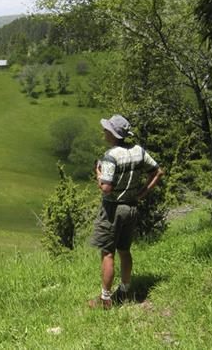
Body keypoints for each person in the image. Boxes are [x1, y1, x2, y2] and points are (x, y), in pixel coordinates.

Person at [89, 114, 164, 310]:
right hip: (132, 207)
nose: (104, 132)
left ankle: (105, 299)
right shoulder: (138, 151)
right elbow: (157, 171)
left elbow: (106, 187)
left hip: (113, 209)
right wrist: (142, 193)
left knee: (107, 253)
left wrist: (98, 173)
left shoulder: (110, 156)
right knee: (124, 250)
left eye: (106, 130)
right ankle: (125, 290)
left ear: (113, 134)